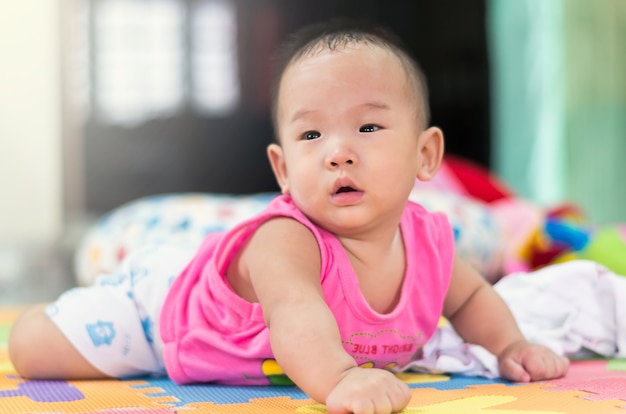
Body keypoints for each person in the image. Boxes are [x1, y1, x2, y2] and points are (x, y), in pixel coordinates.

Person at [9, 19, 569, 414]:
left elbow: (471, 299)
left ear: (426, 155)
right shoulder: (287, 240)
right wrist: (341, 380)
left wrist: (510, 347)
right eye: (310, 134)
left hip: (218, 328)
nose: (338, 152)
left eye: (369, 127)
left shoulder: (430, 241)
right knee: (32, 352)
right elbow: (297, 313)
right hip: (161, 318)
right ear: (282, 168)